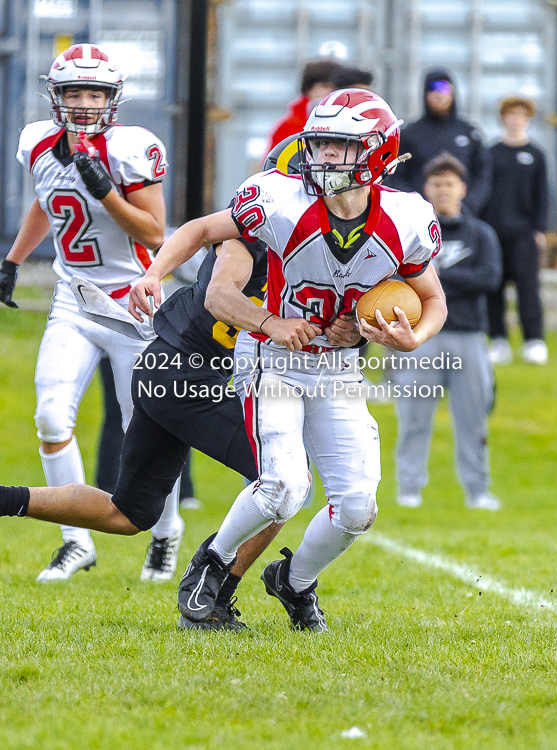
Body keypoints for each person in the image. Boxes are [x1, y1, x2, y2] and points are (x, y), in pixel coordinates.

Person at [127, 88, 447, 633]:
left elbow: (433, 300)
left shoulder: (408, 216)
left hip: (338, 369)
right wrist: (154, 273)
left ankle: (294, 583)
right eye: (318, 144)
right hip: (272, 358)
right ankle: (211, 565)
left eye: (338, 147)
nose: (321, 157)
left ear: (375, 152)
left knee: (357, 509)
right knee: (284, 486)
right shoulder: (279, 200)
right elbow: (202, 229)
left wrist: (410, 337)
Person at [0, 136, 338, 631]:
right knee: (288, 483)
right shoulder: (250, 237)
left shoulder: (314, 245)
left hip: (167, 370)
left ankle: (6, 498)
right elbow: (222, 286)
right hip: (187, 375)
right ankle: (212, 592)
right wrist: (268, 322)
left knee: (127, 513)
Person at [0, 44, 183, 582]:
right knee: (52, 416)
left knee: (144, 432)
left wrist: (105, 190)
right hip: (73, 300)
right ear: (54, 97)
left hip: (134, 304)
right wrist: (13, 260)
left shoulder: (132, 149)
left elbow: (154, 232)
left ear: (113, 98)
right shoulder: (37, 140)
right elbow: (46, 198)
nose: (84, 103)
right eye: (73, 93)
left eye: (95, 93)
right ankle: (76, 542)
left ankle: (166, 531)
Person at [391, 153, 502, 511]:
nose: (443, 190)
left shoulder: (481, 234)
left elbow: (488, 279)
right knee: (414, 415)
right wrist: (438, 289)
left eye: (449, 183)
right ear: (426, 189)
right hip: (422, 337)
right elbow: (397, 280)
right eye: (436, 183)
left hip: (469, 336)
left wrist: (435, 284)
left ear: (463, 189)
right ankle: (409, 488)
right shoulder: (412, 234)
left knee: (474, 418)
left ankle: (478, 490)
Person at [482, 95, 549, 366]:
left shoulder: (536, 155)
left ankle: (534, 341)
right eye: (511, 114)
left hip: (524, 234)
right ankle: (498, 340)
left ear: (528, 119)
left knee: (528, 289)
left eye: (521, 115)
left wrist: (540, 230)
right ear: (503, 118)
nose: (516, 120)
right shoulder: (491, 153)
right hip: (493, 232)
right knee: (494, 288)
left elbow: (543, 195)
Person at [384, 68, 491, 216]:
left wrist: (468, 205)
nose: (438, 94)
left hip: (462, 217)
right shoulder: (410, 134)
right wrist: (416, 205)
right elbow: (395, 176)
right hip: (416, 216)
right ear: (425, 94)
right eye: (432, 89)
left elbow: (483, 174)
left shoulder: (469, 133)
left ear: (452, 92)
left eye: (444, 88)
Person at [263, 59, 346, 155]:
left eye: (337, 88)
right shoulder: (289, 127)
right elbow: (275, 165)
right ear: (308, 89)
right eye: (326, 86)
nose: (332, 92)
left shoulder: (349, 122)